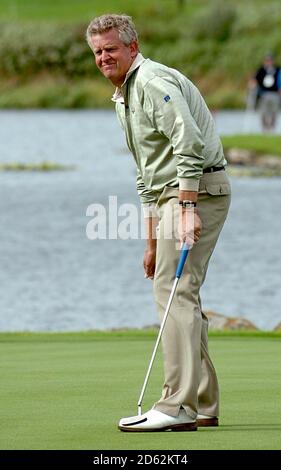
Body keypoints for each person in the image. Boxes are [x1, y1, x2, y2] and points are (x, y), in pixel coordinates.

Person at [86, 14, 231, 432]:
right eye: (97, 51)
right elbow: (147, 176)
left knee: (175, 291)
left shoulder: (151, 83)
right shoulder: (125, 97)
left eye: (110, 48)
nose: (103, 57)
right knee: (177, 289)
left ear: (133, 47)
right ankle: (202, 403)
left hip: (195, 190)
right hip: (175, 194)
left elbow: (190, 142)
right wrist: (150, 244)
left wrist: (187, 208)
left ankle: (177, 407)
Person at [248, 52, 281, 132]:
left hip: (275, 95)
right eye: (267, 60)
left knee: (274, 112)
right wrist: (252, 84)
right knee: (263, 112)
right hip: (263, 94)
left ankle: (271, 128)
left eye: (270, 60)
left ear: (273, 61)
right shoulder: (261, 70)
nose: (268, 62)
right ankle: (265, 129)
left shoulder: (277, 70)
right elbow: (254, 80)